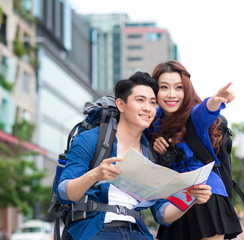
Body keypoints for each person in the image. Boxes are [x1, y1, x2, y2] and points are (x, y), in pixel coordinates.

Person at [56, 71, 212, 240]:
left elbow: (162, 214)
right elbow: (64, 193)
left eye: (153, 103)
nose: (148, 108)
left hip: (137, 232)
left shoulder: (151, 154)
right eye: (140, 100)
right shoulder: (91, 139)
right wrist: (96, 174)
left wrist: (191, 199)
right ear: (121, 105)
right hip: (94, 230)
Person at [149, 61, 242, 240]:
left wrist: (216, 100)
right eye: (164, 87)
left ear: (187, 91)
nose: (171, 94)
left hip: (206, 194)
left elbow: (206, 111)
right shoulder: (153, 121)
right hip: (174, 201)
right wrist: (155, 144)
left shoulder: (193, 116)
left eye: (178, 88)